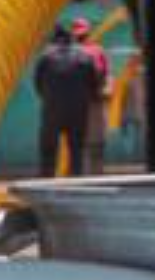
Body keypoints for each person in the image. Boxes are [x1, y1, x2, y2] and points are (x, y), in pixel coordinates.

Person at [34, 25, 103, 177]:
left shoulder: (45, 57)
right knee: (76, 149)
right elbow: (94, 84)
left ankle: (46, 180)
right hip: (78, 110)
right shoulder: (85, 57)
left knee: (49, 148)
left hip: (52, 109)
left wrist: (50, 98)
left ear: (54, 40)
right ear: (71, 40)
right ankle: (76, 181)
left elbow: (38, 84)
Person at [71, 17, 112, 175]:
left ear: (88, 33)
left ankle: (97, 174)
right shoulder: (71, 52)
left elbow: (108, 74)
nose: (81, 37)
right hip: (79, 103)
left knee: (97, 143)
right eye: (78, 35)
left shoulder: (97, 50)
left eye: (83, 34)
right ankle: (85, 176)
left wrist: (108, 88)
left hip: (95, 101)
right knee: (84, 144)